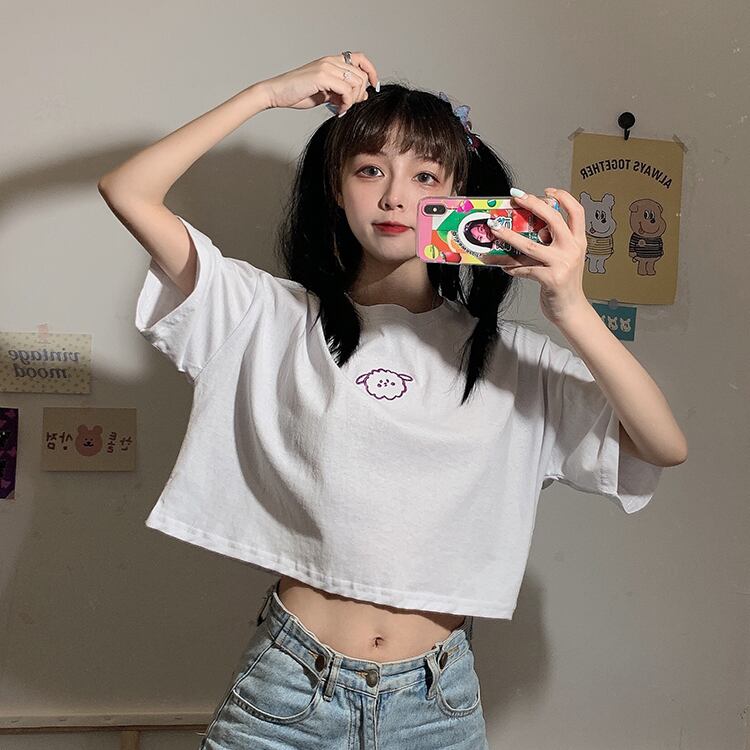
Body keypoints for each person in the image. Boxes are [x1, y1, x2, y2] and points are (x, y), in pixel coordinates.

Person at [98, 51, 687, 749]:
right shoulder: (267, 315)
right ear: (336, 185)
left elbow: (662, 446)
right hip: (289, 689)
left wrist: (572, 308)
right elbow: (128, 191)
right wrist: (267, 94)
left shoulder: (511, 361)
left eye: (425, 176)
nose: (394, 198)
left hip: (436, 703)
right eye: (370, 169)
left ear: (459, 193)